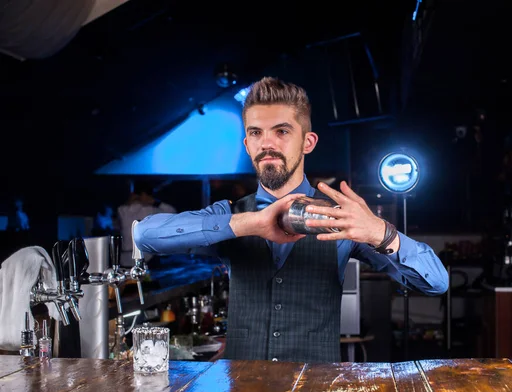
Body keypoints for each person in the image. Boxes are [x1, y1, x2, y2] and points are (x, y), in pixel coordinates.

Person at [134, 77, 448, 363]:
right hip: (244, 390)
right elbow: (146, 235)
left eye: (282, 131)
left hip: (315, 387)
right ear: (247, 145)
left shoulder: (339, 217)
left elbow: (436, 284)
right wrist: (250, 224)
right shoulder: (230, 214)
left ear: (307, 142)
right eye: (256, 133)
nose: (267, 143)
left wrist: (382, 233)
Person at [118, 181, 176, 266]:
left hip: (147, 256)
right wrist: (130, 201)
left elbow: (172, 213)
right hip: (126, 257)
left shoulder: (152, 208)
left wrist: (154, 202)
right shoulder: (123, 209)